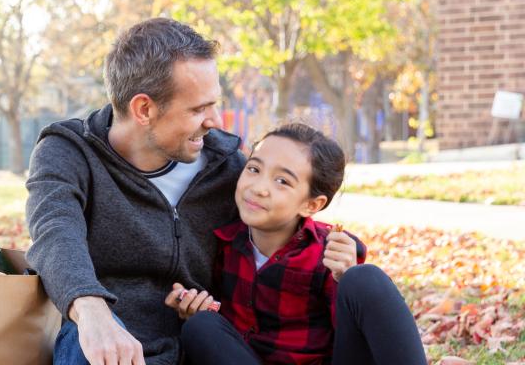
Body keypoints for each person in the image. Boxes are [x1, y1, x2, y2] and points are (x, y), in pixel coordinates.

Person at [25, 18, 246, 364]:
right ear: (144, 109)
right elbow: (55, 232)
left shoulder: (229, 167)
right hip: (104, 339)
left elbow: (281, 236)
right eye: (198, 108)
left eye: (213, 104)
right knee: (88, 345)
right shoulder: (68, 152)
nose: (215, 121)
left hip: (201, 340)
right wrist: (90, 309)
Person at [171, 123, 427, 365]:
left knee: (365, 278)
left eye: (282, 181)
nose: (259, 187)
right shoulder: (223, 244)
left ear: (311, 205)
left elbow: (355, 337)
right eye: (254, 169)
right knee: (201, 326)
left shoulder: (331, 253)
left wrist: (343, 277)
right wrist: (197, 307)